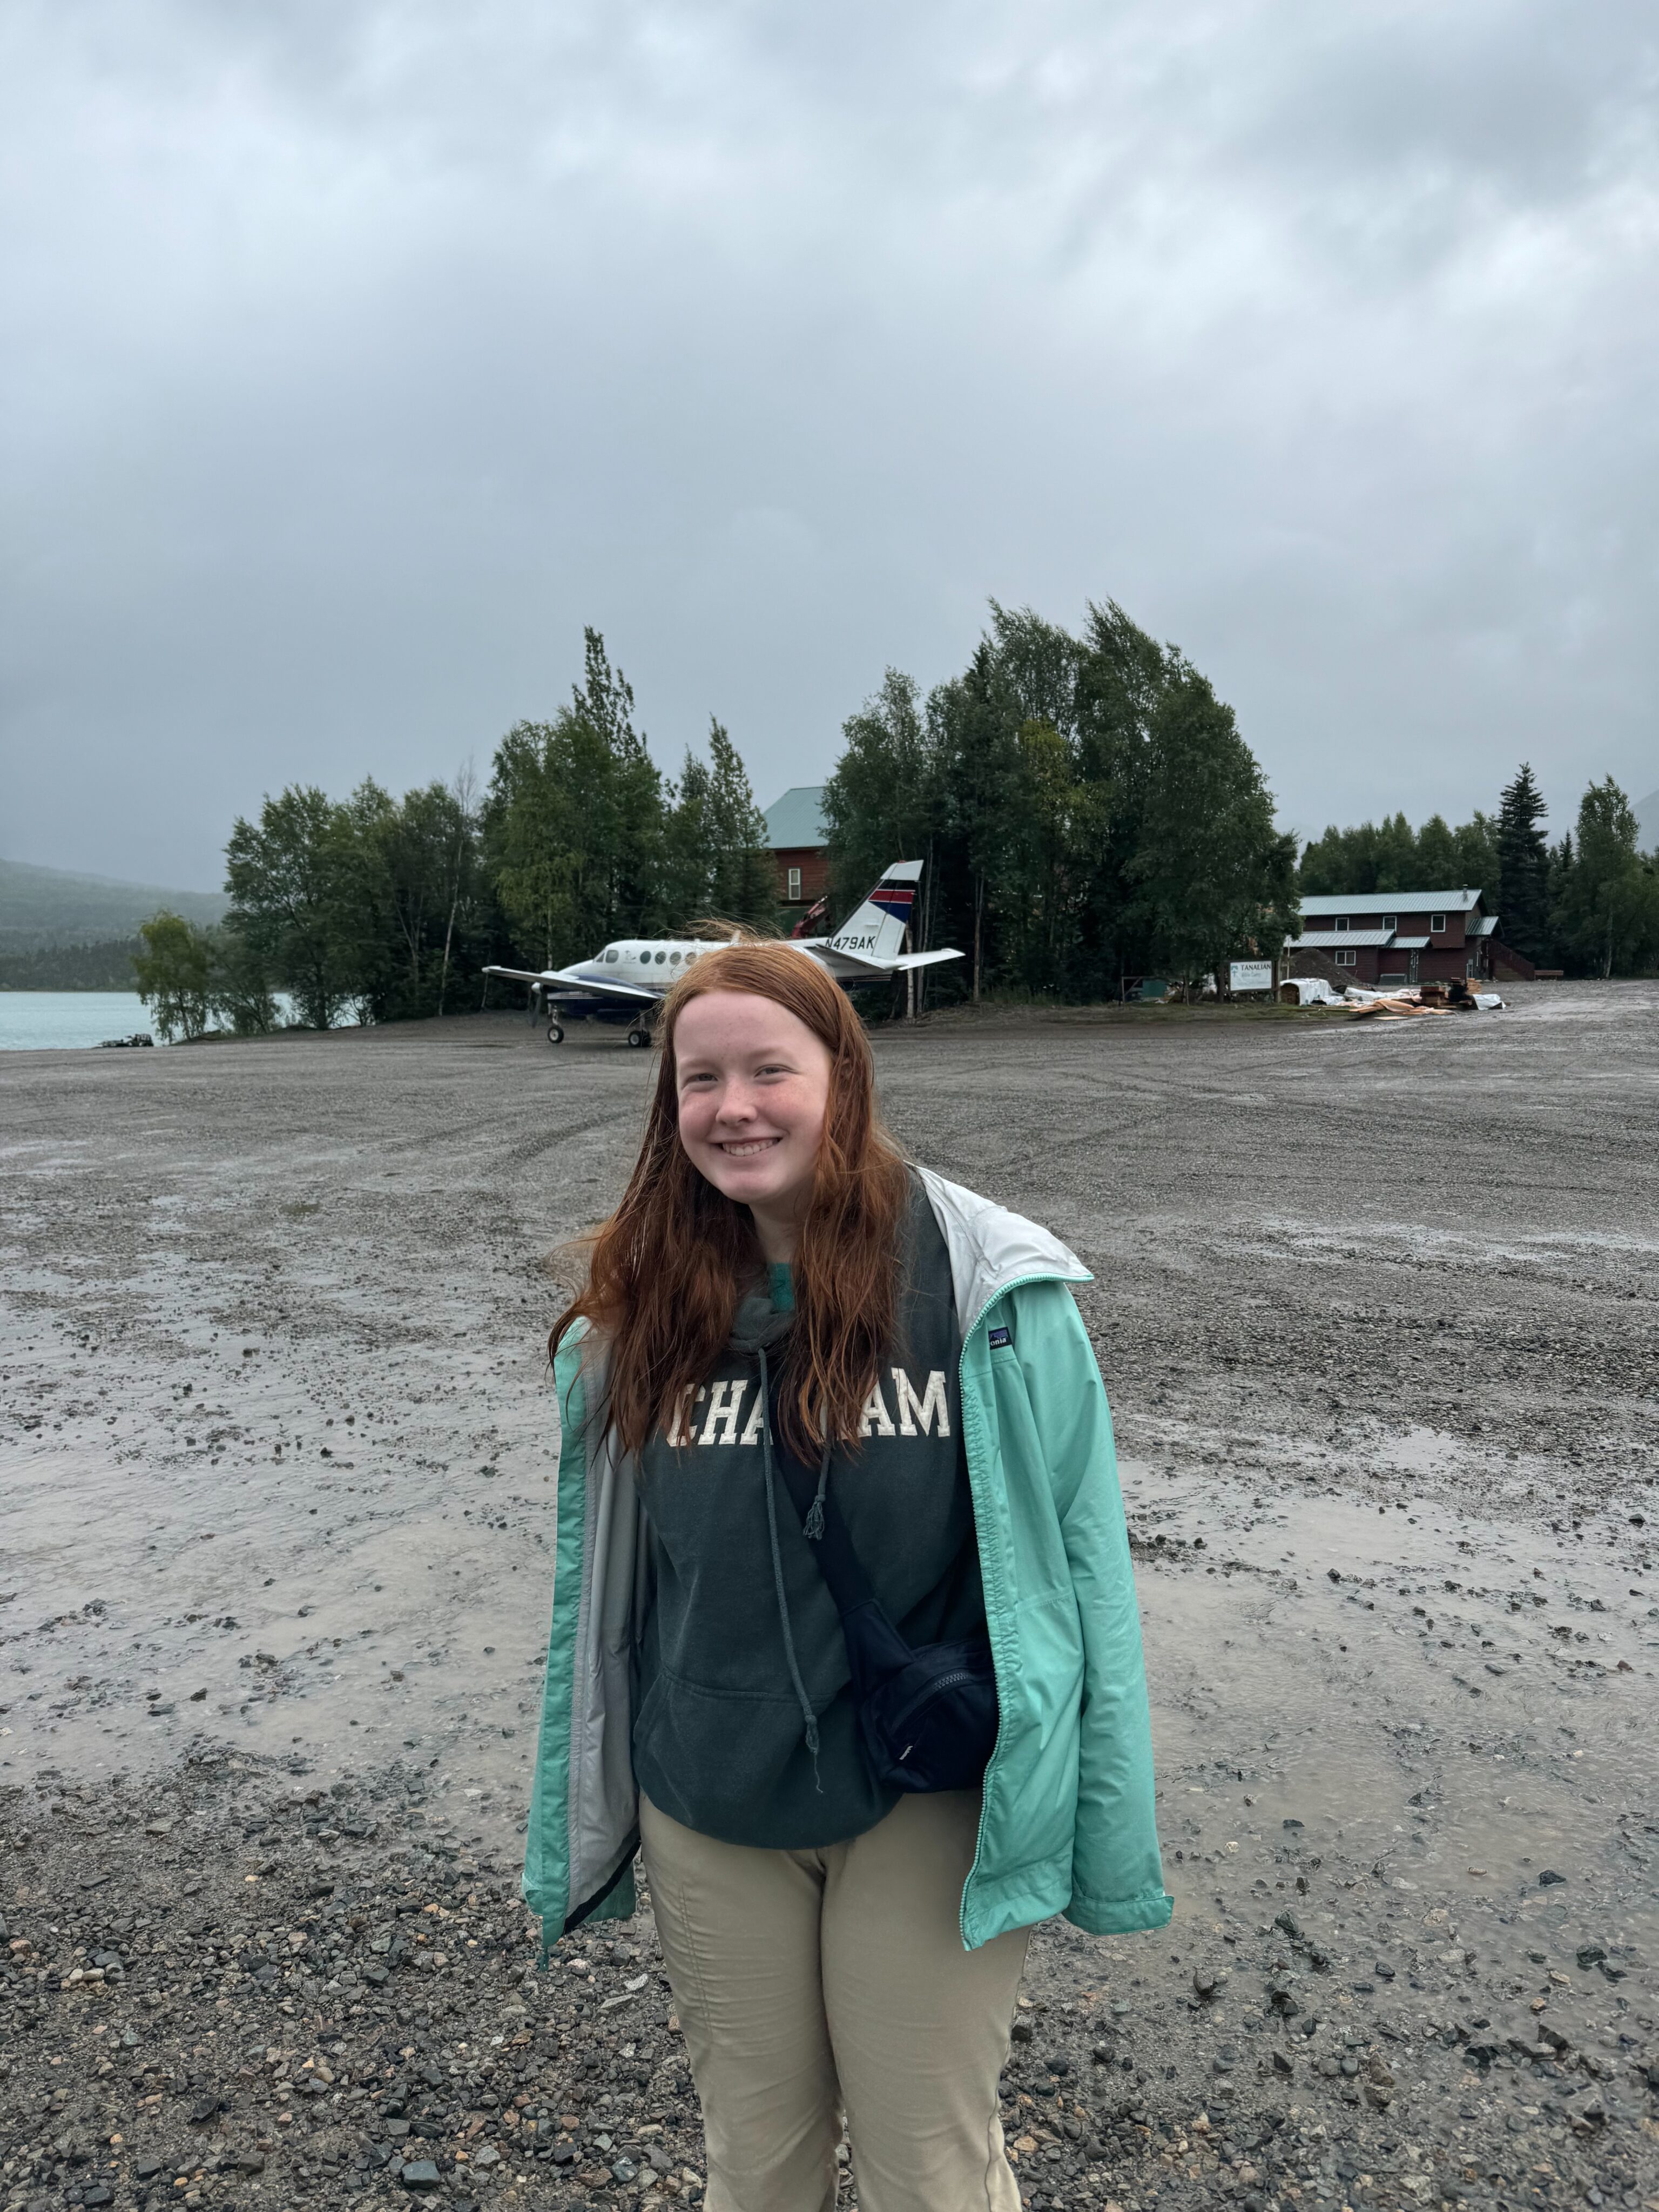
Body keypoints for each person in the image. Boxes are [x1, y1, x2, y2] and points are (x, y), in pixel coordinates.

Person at [524, 940, 1169, 2212]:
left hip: (921, 1795)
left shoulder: (984, 1283)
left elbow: (1086, 1573)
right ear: (672, 1106)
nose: (735, 1105)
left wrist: (1105, 1827)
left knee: (928, 2166)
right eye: (700, 1077)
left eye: (772, 1067)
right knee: (755, 2168)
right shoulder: (636, 1309)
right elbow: (611, 1593)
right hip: (709, 1803)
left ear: (843, 1074)